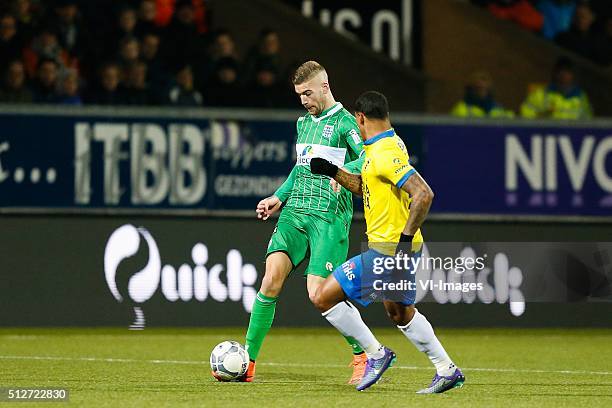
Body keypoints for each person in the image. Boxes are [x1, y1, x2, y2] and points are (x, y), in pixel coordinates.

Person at [310, 91, 464, 393]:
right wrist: (334, 172)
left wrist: (404, 241)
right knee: (400, 312)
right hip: (396, 248)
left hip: (389, 251)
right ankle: (446, 369)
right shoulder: (385, 146)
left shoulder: (383, 153)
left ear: (360, 118)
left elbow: (423, 194)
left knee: (323, 297)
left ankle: (376, 355)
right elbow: (369, 187)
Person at [226, 60, 368, 384]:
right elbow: (300, 167)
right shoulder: (303, 123)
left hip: (328, 216)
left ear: (324, 87)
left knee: (318, 293)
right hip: (295, 211)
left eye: (307, 93)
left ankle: (364, 354)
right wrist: (278, 197)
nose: (303, 100)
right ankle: (247, 362)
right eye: (299, 95)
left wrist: (344, 173)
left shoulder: (346, 123)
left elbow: (367, 157)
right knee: (270, 280)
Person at [520, 57, 592, 119]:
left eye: (567, 72)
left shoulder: (580, 97)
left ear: (572, 75)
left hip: (571, 134)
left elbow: (587, 121)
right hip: (546, 134)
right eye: (561, 71)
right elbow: (526, 114)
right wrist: (540, 119)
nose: (563, 75)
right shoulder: (542, 94)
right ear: (555, 74)